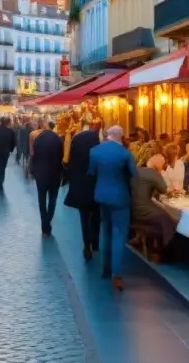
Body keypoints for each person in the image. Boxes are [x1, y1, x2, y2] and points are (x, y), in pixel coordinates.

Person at [89, 125, 137, 291]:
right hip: (120, 197)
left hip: (101, 195)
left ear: (107, 135)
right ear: (121, 136)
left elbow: (91, 172)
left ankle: (106, 268)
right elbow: (133, 174)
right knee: (119, 234)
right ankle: (116, 274)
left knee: (106, 231)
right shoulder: (125, 153)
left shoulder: (95, 151)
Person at [65, 118, 102, 261]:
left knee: (84, 216)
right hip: (96, 184)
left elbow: (69, 162)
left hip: (81, 185)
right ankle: (95, 243)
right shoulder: (99, 142)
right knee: (96, 214)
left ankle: (86, 244)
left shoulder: (77, 139)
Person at [131, 153, 179, 248]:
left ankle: (149, 242)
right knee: (170, 219)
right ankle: (168, 250)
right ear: (157, 164)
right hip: (144, 211)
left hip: (132, 210)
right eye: (162, 164)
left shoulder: (136, 170)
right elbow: (165, 190)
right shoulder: (152, 172)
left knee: (164, 213)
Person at [31, 121, 64, 235]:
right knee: (53, 199)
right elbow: (61, 156)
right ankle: (48, 221)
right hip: (55, 174)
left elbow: (34, 155)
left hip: (41, 174)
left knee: (41, 199)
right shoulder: (58, 139)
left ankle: (44, 223)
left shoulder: (38, 139)